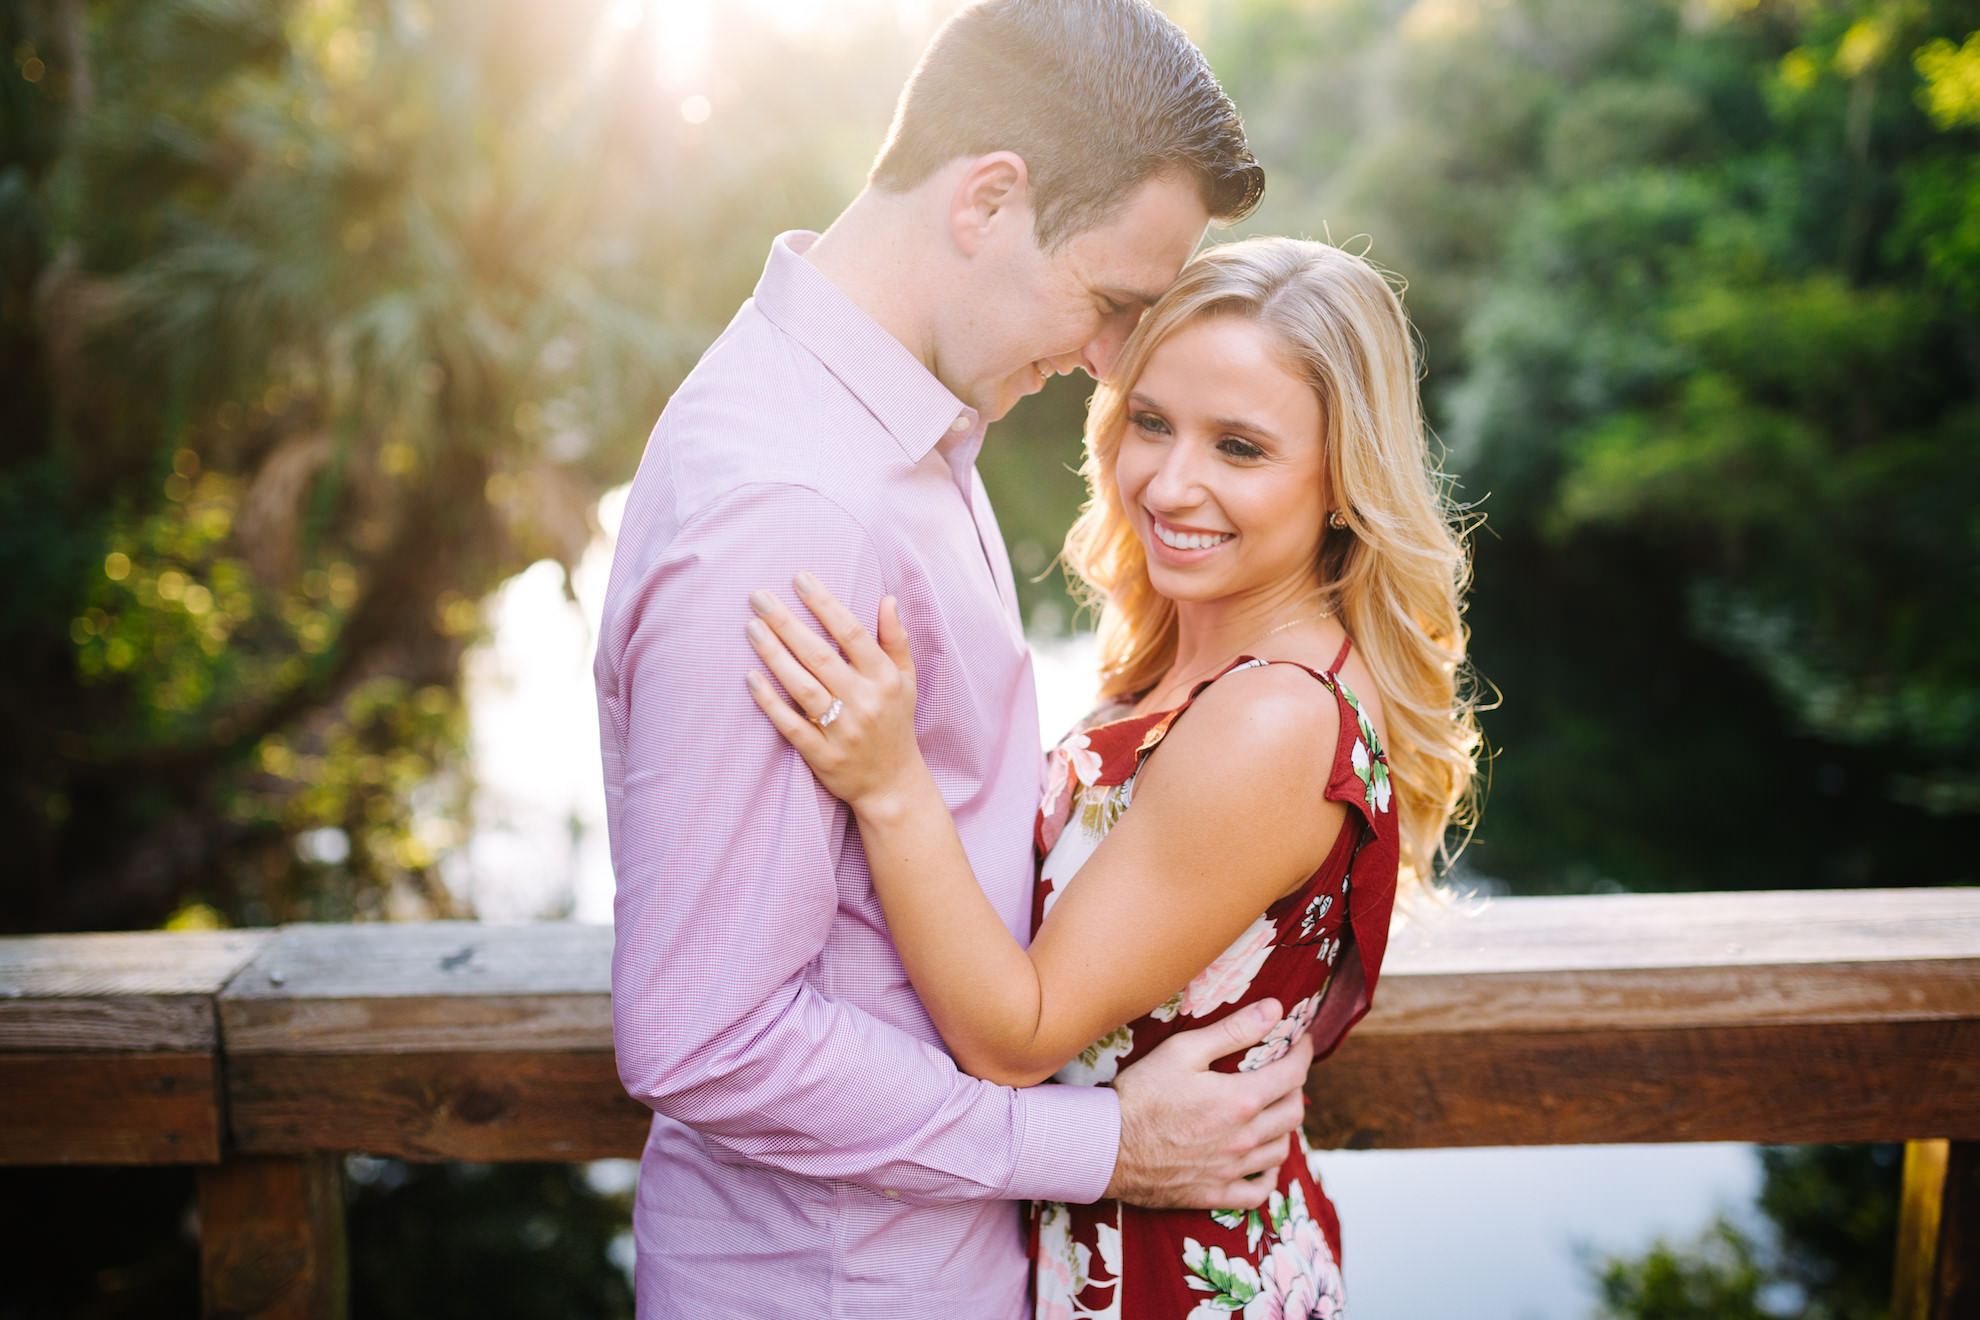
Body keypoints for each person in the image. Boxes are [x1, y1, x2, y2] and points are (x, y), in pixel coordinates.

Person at [595, 4, 1320, 1317]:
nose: (1109, 362)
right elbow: (704, 1033)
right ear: (989, 197)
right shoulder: (798, 510)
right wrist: (1103, 1146)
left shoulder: (899, 432)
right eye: (1109, 303)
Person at [742, 235, 1482, 1316]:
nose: (1170, 482)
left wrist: (889, 782)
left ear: (1342, 480)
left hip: (1167, 1277)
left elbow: (1017, 1033)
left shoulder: (1271, 719)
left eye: (1239, 446)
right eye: (1151, 421)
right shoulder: (1235, 653)